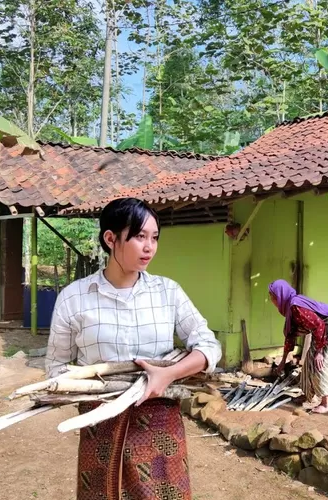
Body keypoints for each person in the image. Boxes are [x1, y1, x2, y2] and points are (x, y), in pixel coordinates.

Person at [45, 197, 221, 500]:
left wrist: (169, 375)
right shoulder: (74, 298)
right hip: (101, 425)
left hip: (159, 426)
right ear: (110, 238)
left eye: (154, 238)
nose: (149, 247)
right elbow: (57, 369)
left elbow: (208, 345)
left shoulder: (168, 293)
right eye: (140, 236)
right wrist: (99, 392)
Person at [268, 279, 328, 414]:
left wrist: (320, 351)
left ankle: (325, 403)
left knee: (321, 362)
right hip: (322, 327)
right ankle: (307, 395)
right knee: (310, 358)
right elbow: (290, 337)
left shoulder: (295, 307)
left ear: (280, 296)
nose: (272, 301)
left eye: (273, 298)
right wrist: (283, 361)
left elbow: (319, 325)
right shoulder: (290, 308)